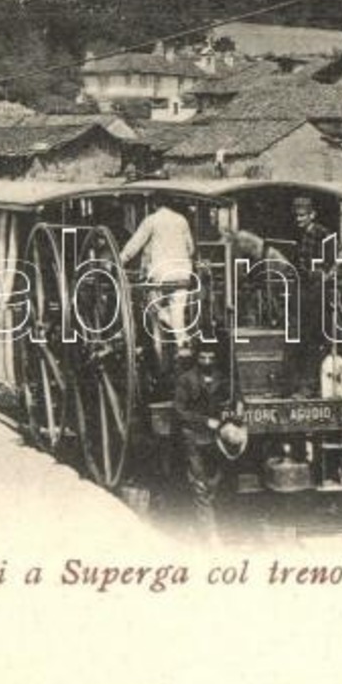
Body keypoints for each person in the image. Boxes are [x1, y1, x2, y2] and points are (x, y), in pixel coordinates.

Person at [120, 195, 197, 366]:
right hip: (182, 273)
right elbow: (190, 248)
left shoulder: (151, 220)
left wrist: (120, 260)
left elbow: (135, 244)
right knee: (178, 309)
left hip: (161, 273)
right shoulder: (182, 220)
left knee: (152, 302)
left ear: (155, 204)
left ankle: (162, 319)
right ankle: (181, 341)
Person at [173, 338, 231, 542]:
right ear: (196, 358)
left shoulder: (220, 378)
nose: (207, 361)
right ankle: (208, 534)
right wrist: (206, 421)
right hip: (193, 437)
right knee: (199, 482)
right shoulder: (186, 380)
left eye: (210, 357)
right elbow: (180, 412)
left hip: (213, 439)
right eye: (203, 357)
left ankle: (208, 524)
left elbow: (232, 396)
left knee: (214, 479)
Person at [287, 196, 336, 395]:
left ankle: (308, 384)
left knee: (309, 337)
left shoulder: (320, 233)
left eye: (302, 216)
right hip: (305, 288)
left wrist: (322, 273)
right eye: (297, 216)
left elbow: (328, 260)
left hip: (315, 291)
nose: (299, 219)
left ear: (312, 215)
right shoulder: (302, 234)